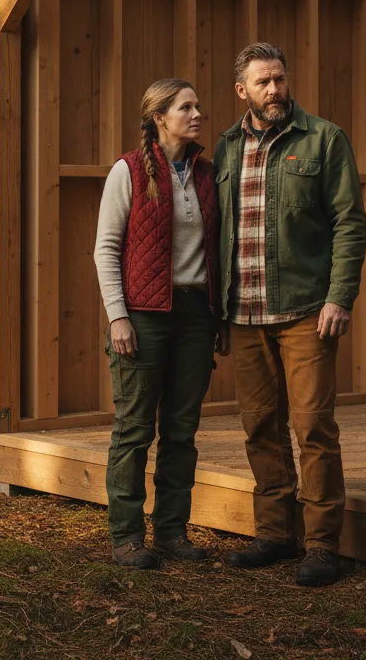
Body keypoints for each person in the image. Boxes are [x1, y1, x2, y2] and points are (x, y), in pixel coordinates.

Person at [214, 43, 366, 588]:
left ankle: (323, 545)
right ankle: (274, 535)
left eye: (280, 78)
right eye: (263, 82)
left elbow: (350, 222)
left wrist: (339, 296)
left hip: (306, 311)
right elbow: (219, 233)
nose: (275, 89)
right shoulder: (227, 147)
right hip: (245, 313)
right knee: (260, 427)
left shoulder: (323, 139)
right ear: (242, 91)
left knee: (314, 428)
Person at [94, 78, 223, 569]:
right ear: (159, 117)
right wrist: (118, 316)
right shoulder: (127, 171)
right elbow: (106, 248)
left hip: (195, 315)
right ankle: (126, 537)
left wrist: (218, 316)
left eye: (197, 105)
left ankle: (171, 531)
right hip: (143, 316)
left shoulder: (208, 174)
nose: (196, 114)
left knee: (181, 430)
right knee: (133, 429)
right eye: (185, 107)